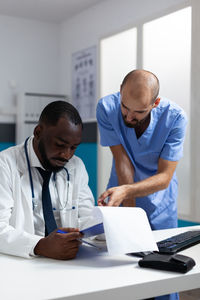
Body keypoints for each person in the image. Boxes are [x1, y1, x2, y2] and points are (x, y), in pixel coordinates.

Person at [96, 69, 187, 300]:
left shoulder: (175, 118)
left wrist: (127, 191)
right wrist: (129, 214)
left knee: (163, 278)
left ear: (155, 103)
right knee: (120, 271)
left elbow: (165, 176)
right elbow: (122, 160)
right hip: (121, 192)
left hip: (160, 202)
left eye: (139, 112)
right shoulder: (106, 108)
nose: (128, 117)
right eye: (125, 107)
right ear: (120, 94)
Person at [0, 101, 95, 260]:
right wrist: (40, 245)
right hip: (20, 262)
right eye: (60, 145)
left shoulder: (76, 166)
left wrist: (103, 227)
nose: (66, 155)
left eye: (73, 147)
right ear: (38, 132)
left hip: (65, 260)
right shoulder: (5, 165)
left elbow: (86, 216)